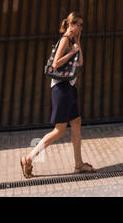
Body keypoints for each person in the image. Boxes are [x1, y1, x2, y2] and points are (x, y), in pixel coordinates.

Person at [21, 12, 94, 177]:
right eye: (79, 24)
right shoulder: (65, 39)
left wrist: (78, 43)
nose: (81, 27)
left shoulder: (74, 40)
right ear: (71, 24)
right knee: (59, 130)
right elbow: (55, 64)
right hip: (61, 88)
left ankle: (78, 164)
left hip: (69, 88)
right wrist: (70, 52)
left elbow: (80, 62)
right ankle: (29, 158)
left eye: (82, 25)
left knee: (76, 123)